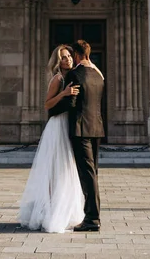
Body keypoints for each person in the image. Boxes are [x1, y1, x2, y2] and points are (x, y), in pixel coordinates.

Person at [19, 45, 84, 233]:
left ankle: (65, 210)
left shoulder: (73, 76)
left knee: (66, 168)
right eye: (63, 57)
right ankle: (50, 211)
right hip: (57, 125)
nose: (68, 60)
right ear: (58, 61)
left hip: (68, 124)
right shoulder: (58, 78)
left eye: (69, 56)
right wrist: (63, 94)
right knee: (55, 168)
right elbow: (47, 104)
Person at [65, 40, 105, 232]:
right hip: (97, 127)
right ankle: (92, 215)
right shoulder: (99, 74)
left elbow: (71, 104)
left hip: (80, 129)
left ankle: (92, 218)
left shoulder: (75, 73)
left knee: (87, 175)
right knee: (93, 173)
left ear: (77, 55)